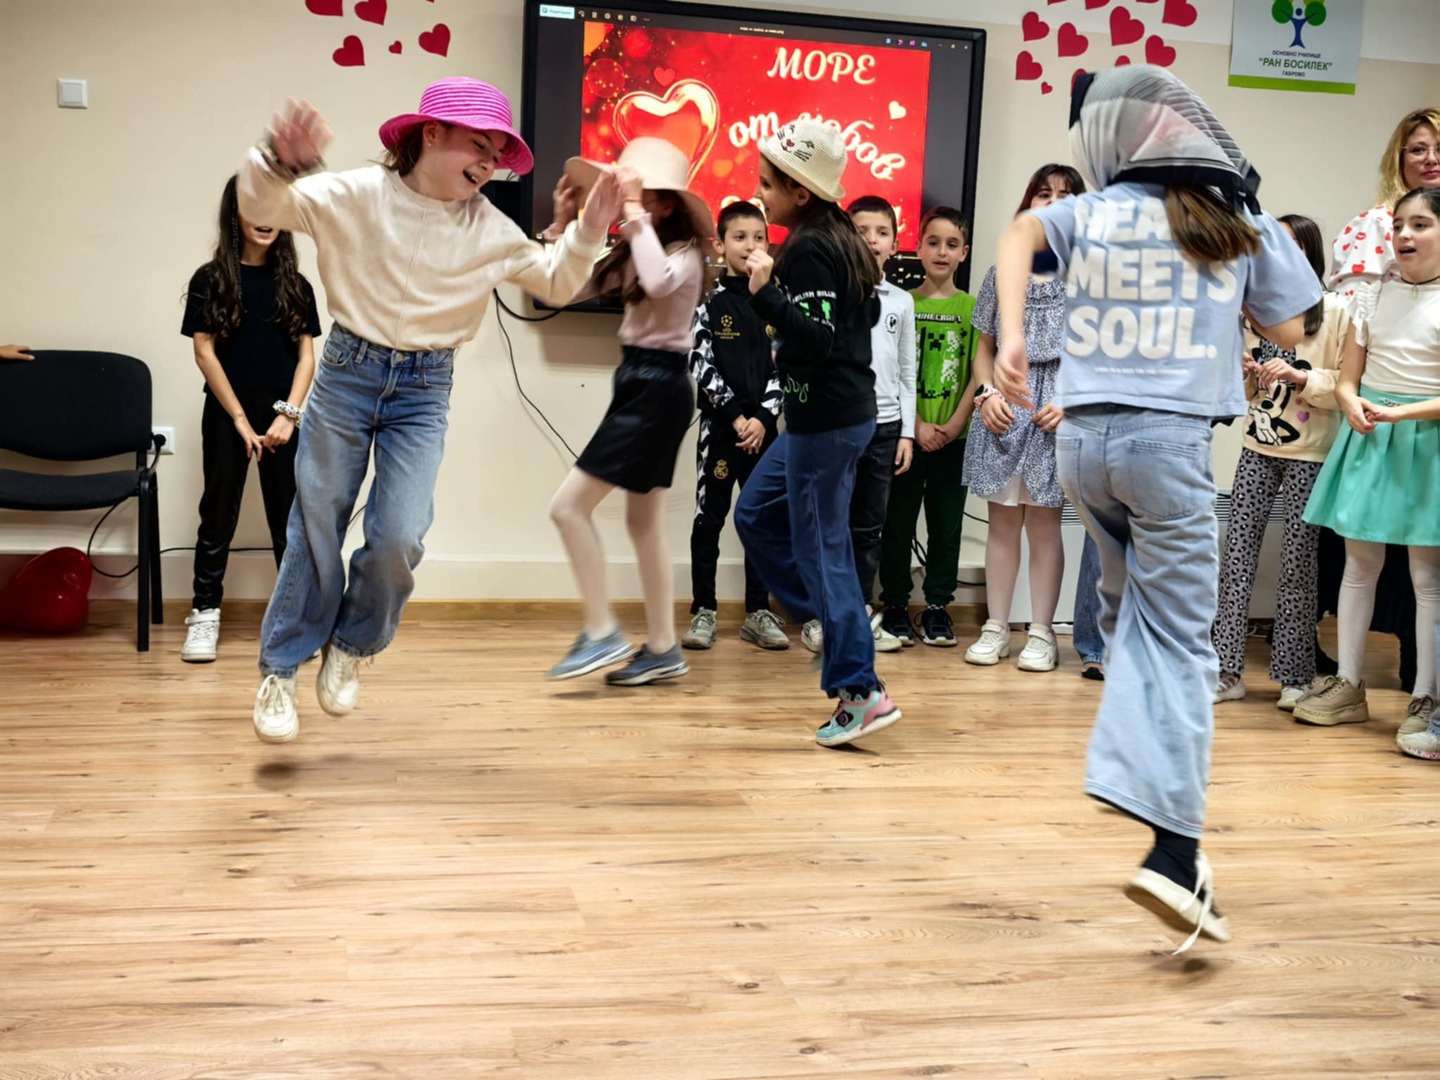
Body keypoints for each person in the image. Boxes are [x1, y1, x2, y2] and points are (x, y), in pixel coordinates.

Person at [994, 65, 1319, 951]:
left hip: (1082, 446)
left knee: (1128, 611)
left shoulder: (1093, 210)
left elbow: (1019, 232)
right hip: (1166, 449)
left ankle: (1132, 763)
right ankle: (1173, 851)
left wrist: (1014, 337)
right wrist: (1247, 224)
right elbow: (1292, 329)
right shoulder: (1229, 218)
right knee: (1180, 644)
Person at [239, 79, 624, 742]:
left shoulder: (489, 228)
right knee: (316, 523)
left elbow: (558, 281)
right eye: (479, 145)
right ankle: (280, 668)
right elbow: (264, 206)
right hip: (348, 374)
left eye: (497, 155)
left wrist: (590, 227)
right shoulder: (358, 193)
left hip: (423, 389)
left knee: (401, 534)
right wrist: (278, 162)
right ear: (432, 133)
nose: (489, 163)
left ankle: (352, 645)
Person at [734, 118, 901, 747]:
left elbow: (815, 341)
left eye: (767, 185)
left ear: (800, 192)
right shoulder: (831, 238)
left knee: (823, 554)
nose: (759, 196)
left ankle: (860, 689)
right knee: (756, 515)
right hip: (825, 421)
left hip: (827, 425)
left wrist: (765, 294)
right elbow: (857, 317)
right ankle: (838, 625)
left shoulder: (808, 248)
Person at [547, 137, 709, 685]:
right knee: (644, 523)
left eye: (633, 190)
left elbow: (659, 281)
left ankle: (601, 632)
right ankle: (663, 647)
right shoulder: (634, 247)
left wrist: (633, 212)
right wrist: (563, 227)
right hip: (639, 380)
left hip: (659, 386)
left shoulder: (684, 253)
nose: (617, 197)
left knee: (567, 508)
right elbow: (562, 291)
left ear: (664, 202)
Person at [1297, 187, 1440, 744]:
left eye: (1421, 225)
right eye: (1399, 224)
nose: (1404, 235)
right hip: (1372, 435)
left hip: (1425, 441)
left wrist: (1404, 413)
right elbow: (1349, 376)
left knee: (1427, 577)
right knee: (1359, 566)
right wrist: (1352, 401)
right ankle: (1348, 685)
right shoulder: (1373, 296)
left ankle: (1426, 697)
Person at [179, 175, 320, 664]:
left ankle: (294, 620)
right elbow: (204, 352)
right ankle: (204, 614)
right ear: (234, 214)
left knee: (289, 519)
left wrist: (289, 415)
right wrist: (239, 418)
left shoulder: (296, 285)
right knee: (218, 513)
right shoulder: (210, 280)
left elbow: (306, 358)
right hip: (226, 413)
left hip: (283, 417)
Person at [1211, 214, 1347, 710]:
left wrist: (1298, 376)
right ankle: (1226, 671)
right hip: (1257, 447)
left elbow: (1345, 385)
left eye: (1290, 245)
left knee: (1298, 564)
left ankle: (1294, 675)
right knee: (1236, 557)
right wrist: (1248, 374)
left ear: (1310, 253)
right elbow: (1249, 395)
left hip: (1310, 452)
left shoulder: (1336, 310)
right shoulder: (1258, 312)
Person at [963, 164, 1085, 672]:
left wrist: (1073, 401)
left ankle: (1041, 632)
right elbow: (983, 348)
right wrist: (986, 393)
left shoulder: (1087, 277)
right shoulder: (1002, 272)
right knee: (1002, 522)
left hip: (1056, 412)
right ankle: (996, 626)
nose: (1052, 202)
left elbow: (1100, 354)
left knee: (1044, 524)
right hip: (1003, 408)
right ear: (1028, 203)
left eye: (1065, 195)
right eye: (1043, 193)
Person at [799, 194, 916, 656]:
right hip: (837, 426)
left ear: (894, 244)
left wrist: (906, 432)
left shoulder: (901, 302)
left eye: (881, 232)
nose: (871, 240)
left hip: (884, 429)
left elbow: (906, 373)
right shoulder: (833, 295)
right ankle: (819, 616)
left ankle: (860, 615)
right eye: (861, 230)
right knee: (828, 524)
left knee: (868, 529)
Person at [681, 200, 788, 652]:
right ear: (720, 245)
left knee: (762, 522)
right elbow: (699, 361)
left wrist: (763, 418)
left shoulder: (778, 301)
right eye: (739, 237)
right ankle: (704, 609)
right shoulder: (706, 300)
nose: (749, 245)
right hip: (721, 430)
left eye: (758, 237)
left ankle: (758, 612)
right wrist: (736, 417)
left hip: (765, 434)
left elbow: (787, 364)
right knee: (710, 518)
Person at [876, 207, 979, 647]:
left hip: (955, 439)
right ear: (917, 247)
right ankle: (896, 603)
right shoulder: (902, 303)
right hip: (906, 438)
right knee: (896, 524)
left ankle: (938, 606)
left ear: (964, 253)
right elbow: (894, 371)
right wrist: (915, 423)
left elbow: (979, 373)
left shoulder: (971, 308)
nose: (941, 251)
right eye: (933, 242)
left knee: (946, 527)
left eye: (951, 244)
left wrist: (954, 424)